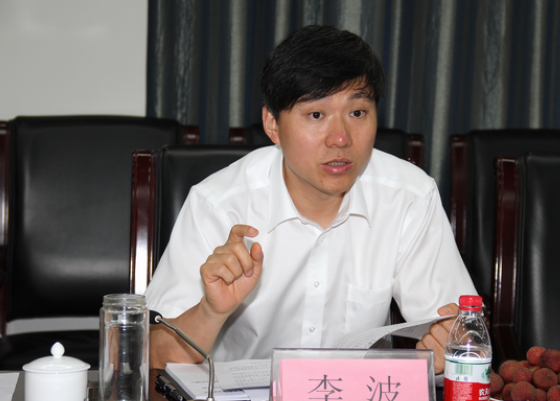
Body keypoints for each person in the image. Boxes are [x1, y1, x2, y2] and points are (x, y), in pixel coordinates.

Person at [145, 25, 477, 373]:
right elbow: (151, 357)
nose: (340, 138)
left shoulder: (409, 197)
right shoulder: (218, 205)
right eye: (316, 115)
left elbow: (463, 330)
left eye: (357, 113)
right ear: (273, 125)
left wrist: (453, 345)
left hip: (359, 398)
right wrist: (210, 311)